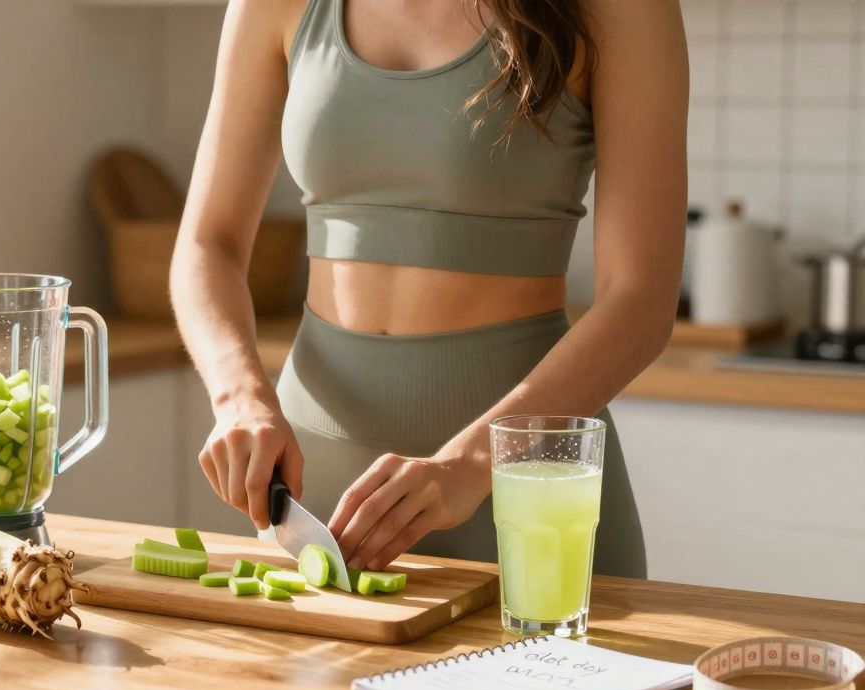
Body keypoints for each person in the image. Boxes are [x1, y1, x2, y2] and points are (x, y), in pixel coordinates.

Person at [169, 0, 687, 577]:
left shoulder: (623, 10)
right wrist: (238, 396)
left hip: (522, 491)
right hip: (315, 491)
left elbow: (640, 299)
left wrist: (469, 465)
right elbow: (207, 243)